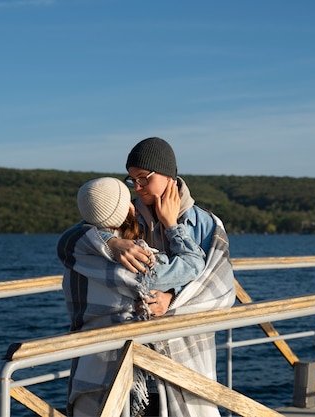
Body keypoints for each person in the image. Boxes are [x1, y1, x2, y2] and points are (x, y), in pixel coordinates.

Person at [104, 136, 237, 417]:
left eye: (143, 179)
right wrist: (111, 243)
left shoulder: (206, 224)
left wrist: (171, 299)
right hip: (132, 356)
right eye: (131, 180)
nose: (137, 188)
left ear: (167, 175)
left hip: (185, 354)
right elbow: (73, 241)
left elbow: (221, 292)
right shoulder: (123, 216)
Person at [57, 176, 207, 416]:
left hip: (89, 372)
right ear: (127, 210)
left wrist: (109, 240)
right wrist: (171, 225)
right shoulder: (140, 259)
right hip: (126, 380)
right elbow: (194, 264)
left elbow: (69, 238)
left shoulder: (76, 253)